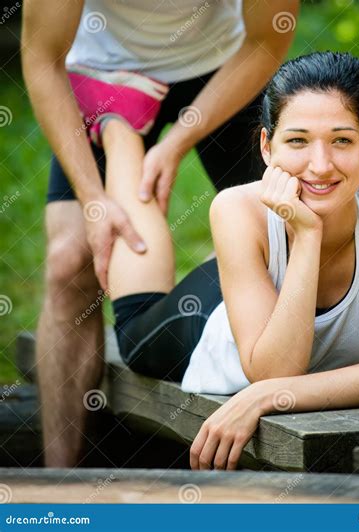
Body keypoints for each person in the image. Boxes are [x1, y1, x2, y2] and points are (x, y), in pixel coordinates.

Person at [106, 51, 359, 471]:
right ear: (267, 146)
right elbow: (276, 370)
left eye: (341, 140)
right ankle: (120, 127)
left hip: (262, 281)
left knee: (254, 267)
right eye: (298, 140)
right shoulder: (236, 208)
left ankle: (241, 262)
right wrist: (306, 235)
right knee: (133, 333)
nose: (320, 165)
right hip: (211, 319)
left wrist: (263, 398)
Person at [21, 0, 298, 466]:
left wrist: (176, 142)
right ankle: (60, 482)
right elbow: (41, 58)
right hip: (104, 74)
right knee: (70, 260)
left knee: (288, 230)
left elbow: (267, 39)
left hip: (225, 62)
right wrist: (93, 198)